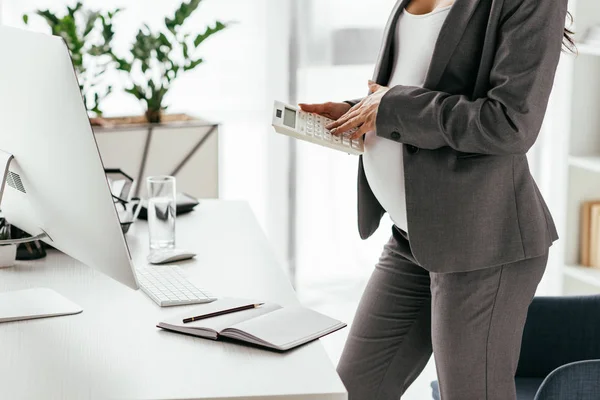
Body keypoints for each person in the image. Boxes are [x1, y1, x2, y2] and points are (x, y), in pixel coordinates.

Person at [299, 0, 572, 398]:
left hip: (481, 245)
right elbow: (421, 86)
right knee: (353, 391)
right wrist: (361, 113)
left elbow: (510, 123)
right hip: (413, 237)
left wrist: (391, 107)